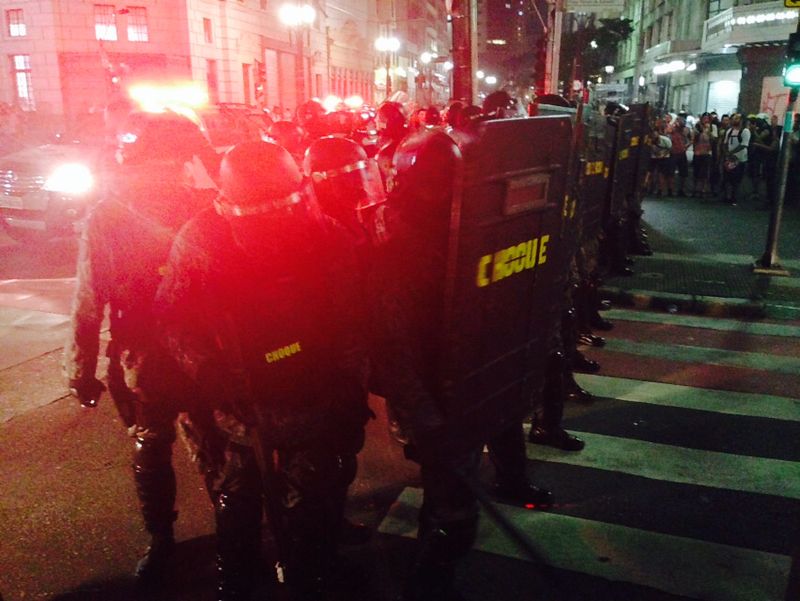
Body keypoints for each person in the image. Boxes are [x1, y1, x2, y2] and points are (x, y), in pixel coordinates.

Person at [155, 140, 371, 600]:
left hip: (312, 394)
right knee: (236, 498)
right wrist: (207, 371)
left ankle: (308, 573)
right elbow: (173, 318)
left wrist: (352, 390)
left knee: (312, 498)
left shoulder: (327, 235)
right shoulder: (201, 238)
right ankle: (235, 579)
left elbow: (351, 321)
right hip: (237, 398)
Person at [63, 110, 220, 583]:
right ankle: (228, 537)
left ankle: (164, 542)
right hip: (187, 352)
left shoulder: (108, 213)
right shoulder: (204, 205)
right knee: (211, 446)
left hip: (146, 353)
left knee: (154, 446)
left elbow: (89, 300)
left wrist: (81, 370)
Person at [368, 129, 481, 601]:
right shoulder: (397, 243)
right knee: (448, 497)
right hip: (428, 390)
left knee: (453, 494)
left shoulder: (468, 227)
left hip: (463, 381)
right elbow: (391, 344)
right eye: (435, 183)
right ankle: (430, 579)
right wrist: (421, 412)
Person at [721, 113, 751, 206]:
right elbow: (725, 143)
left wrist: (731, 152)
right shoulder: (729, 131)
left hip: (740, 159)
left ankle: (734, 198)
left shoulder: (745, 131)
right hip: (730, 159)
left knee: (736, 180)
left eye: (737, 118)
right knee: (727, 179)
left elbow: (744, 144)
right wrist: (726, 153)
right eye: (734, 118)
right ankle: (727, 196)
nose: (734, 120)